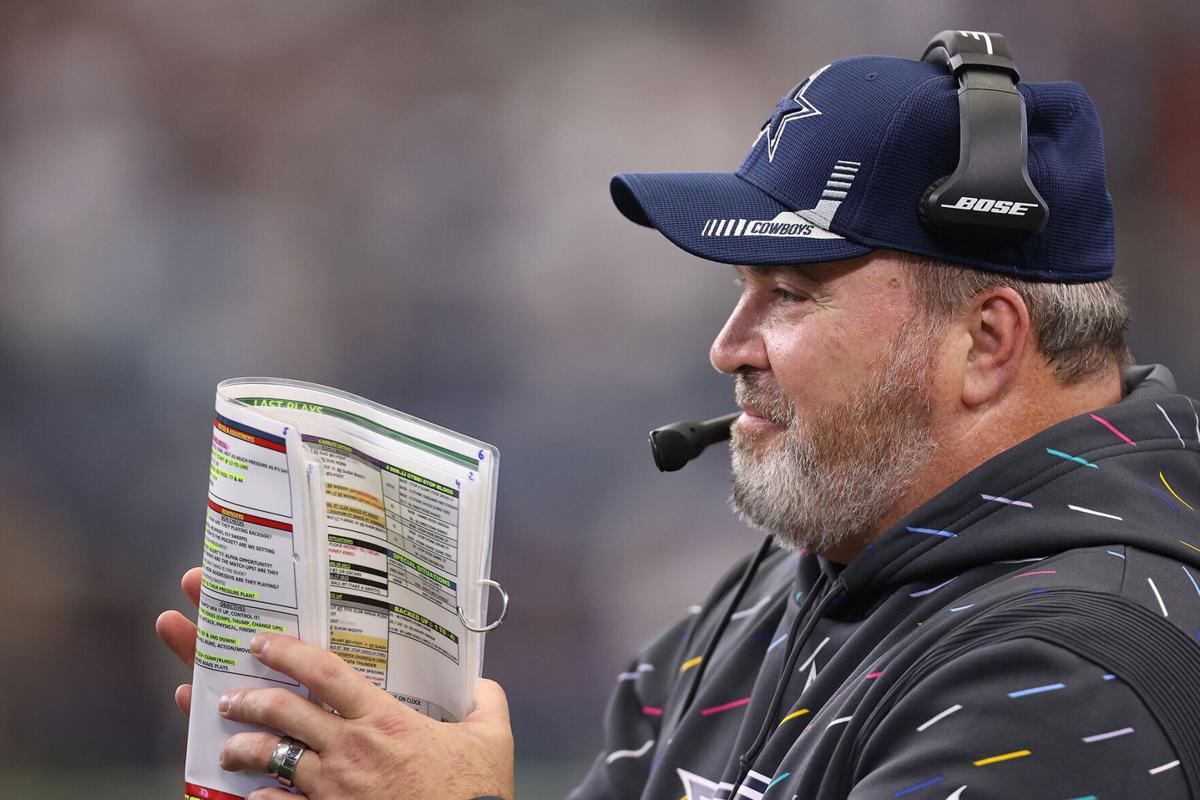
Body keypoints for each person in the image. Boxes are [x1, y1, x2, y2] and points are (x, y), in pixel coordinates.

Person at [158, 31, 1200, 800]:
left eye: (790, 294)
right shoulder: (753, 616)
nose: (727, 345)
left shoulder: (1074, 671)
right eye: (741, 288)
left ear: (985, 342)